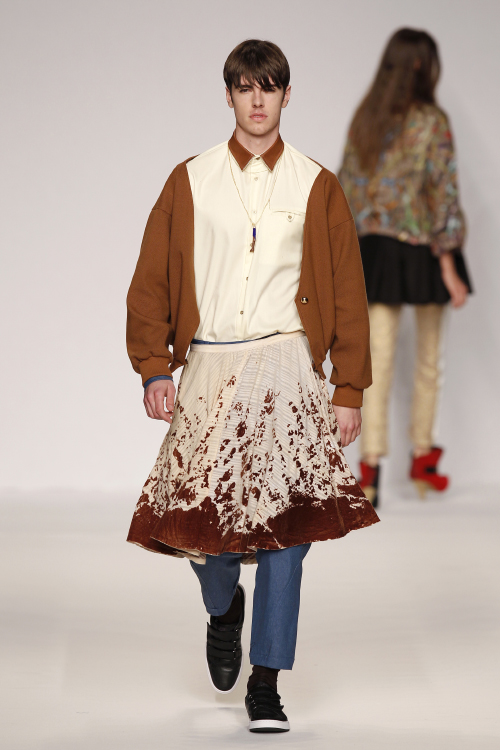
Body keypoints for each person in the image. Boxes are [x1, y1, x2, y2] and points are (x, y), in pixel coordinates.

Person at [126, 39, 379, 733]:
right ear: (230, 95)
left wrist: (348, 387)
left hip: (287, 367)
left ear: (287, 95)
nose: (258, 99)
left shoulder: (316, 184)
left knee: (287, 532)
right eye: (245, 87)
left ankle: (266, 681)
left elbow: (348, 293)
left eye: (269, 87)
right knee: (203, 529)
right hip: (210, 366)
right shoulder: (191, 179)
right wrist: (154, 365)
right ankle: (224, 607)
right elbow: (151, 280)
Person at [338, 28, 472, 508]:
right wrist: (450, 266)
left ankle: (369, 471)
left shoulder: (365, 117)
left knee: (374, 362)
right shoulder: (432, 121)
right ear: (418, 65)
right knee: (429, 360)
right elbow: (443, 193)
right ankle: (421, 458)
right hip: (423, 251)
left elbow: (346, 190)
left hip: (373, 253)